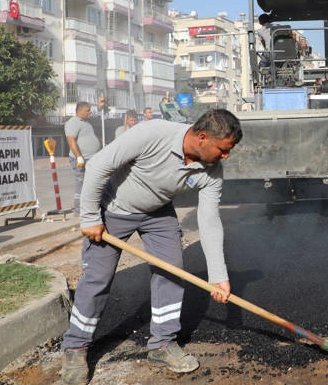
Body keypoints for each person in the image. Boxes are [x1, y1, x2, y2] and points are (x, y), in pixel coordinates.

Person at [60, 109, 243, 385]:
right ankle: (75, 347)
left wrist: (218, 276)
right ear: (202, 137)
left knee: (172, 271)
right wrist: (90, 217)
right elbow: (98, 165)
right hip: (113, 208)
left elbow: (209, 221)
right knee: (98, 278)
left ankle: (162, 344)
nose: (226, 156)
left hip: (158, 213)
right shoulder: (153, 132)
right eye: (223, 149)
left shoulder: (212, 171)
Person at [64, 102, 101, 215]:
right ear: (79, 111)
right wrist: (79, 156)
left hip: (91, 158)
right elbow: (71, 140)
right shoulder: (73, 122)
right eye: (87, 110)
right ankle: (78, 209)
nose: (90, 112)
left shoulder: (87, 123)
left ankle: (90, 206)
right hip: (81, 159)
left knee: (92, 183)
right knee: (80, 182)